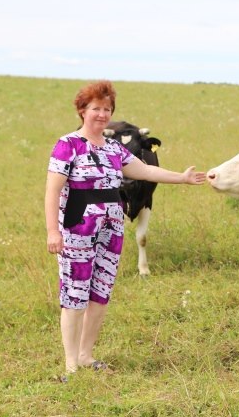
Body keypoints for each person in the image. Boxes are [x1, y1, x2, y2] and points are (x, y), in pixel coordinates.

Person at [44, 80, 205, 381]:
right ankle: (70, 364)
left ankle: (86, 355)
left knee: (100, 293)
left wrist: (181, 178)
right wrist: (53, 231)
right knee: (74, 295)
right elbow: (52, 191)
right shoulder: (68, 145)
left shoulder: (115, 147)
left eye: (107, 109)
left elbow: (144, 171)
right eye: (96, 108)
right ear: (82, 111)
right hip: (77, 228)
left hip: (111, 229)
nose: (102, 114)